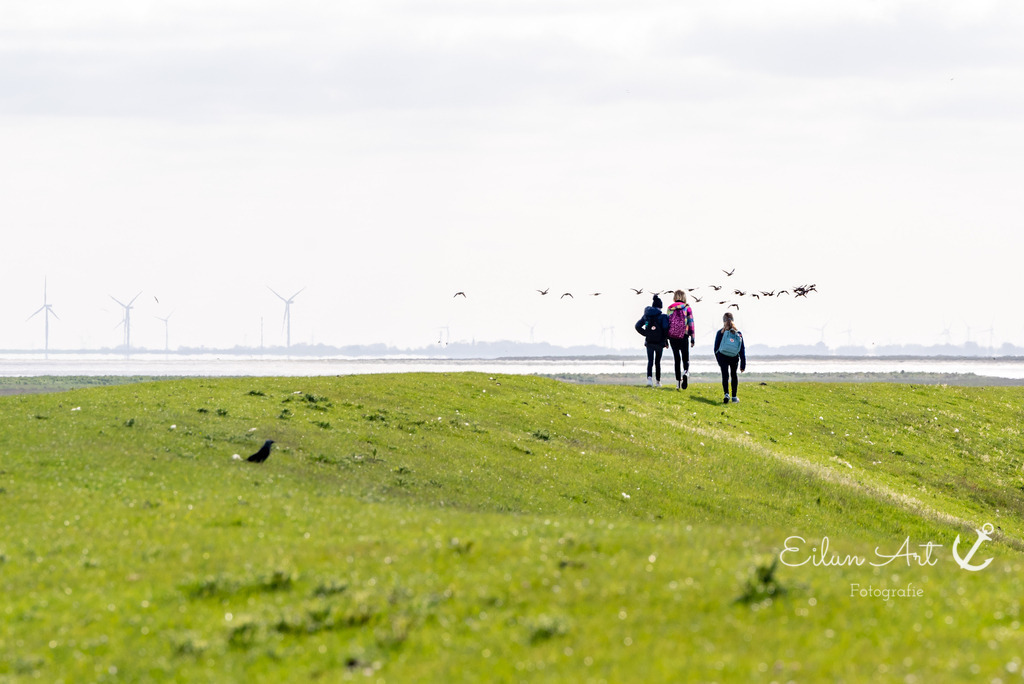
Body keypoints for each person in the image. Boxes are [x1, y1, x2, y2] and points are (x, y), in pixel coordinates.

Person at [635, 294, 670, 387]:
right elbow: (666, 328)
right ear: (660, 307)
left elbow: (637, 326)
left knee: (650, 361)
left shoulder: (646, 315)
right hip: (659, 342)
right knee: (657, 362)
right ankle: (658, 382)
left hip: (649, 341)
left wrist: (646, 334)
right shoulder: (663, 316)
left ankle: (649, 380)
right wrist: (665, 340)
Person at [713, 311, 746, 403]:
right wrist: (743, 364)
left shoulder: (720, 332)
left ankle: (726, 394)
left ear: (723, 321)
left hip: (723, 357)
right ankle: (734, 397)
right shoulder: (738, 333)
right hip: (734, 357)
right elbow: (742, 349)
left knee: (725, 375)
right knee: (734, 375)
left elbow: (716, 348)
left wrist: (718, 359)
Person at [667, 289, 695, 390]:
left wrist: (666, 339)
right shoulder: (687, 308)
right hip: (684, 336)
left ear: (675, 297)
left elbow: (667, 324)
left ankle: (678, 384)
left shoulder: (670, 308)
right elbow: (691, 323)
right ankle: (686, 373)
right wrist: (692, 338)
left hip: (672, 337)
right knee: (685, 358)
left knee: (676, 359)